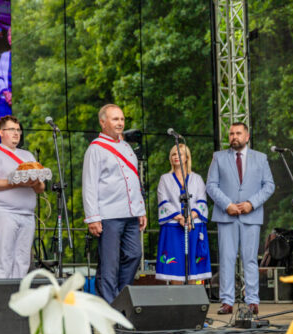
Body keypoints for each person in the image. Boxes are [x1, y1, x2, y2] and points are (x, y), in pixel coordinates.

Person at [206, 122, 274, 315]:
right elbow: (211, 185)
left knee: (250, 259)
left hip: (251, 215)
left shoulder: (261, 158)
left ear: (247, 136)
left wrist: (252, 203)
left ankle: (252, 301)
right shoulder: (218, 157)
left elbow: (269, 185)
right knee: (226, 259)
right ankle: (227, 301)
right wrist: (227, 204)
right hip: (226, 215)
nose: (234, 137)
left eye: (238, 133)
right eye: (231, 134)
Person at [82, 104, 147, 303]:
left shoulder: (126, 147)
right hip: (108, 214)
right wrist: (92, 217)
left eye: (122, 119)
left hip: (131, 213)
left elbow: (134, 180)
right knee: (109, 264)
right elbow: (89, 184)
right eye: (115, 119)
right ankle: (108, 306)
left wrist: (141, 209)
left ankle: (119, 298)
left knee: (134, 255)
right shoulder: (95, 149)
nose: (120, 123)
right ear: (103, 122)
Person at [0, 115, 44, 278]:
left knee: (22, 262)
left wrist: (34, 182)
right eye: (11, 130)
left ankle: (18, 293)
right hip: (4, 212)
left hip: (27, 214)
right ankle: (0, 294)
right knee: (3, 260)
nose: (16, 133)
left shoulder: (28, 155)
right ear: (1, 132)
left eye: (18, 130)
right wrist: (15, 182)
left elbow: (41, 188)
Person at [156, 144, 211, 284]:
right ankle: (176, 297)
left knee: (194, 270)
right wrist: (180, 218)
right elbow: (163, 201)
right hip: (173, 227)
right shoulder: (165, 179)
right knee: (174, 270)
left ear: (187, 157)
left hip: (194, 226)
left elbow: (202, 201)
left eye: (180, 154)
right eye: (173, 154)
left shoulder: (197, 178)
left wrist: (190, 217)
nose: (176, 157)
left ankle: (194, 297)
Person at [0, 26, 11, 121]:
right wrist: (6, 93)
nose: (10, 37)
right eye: (9, 35)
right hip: (4, 99)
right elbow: (0, 76)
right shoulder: (4, 56)